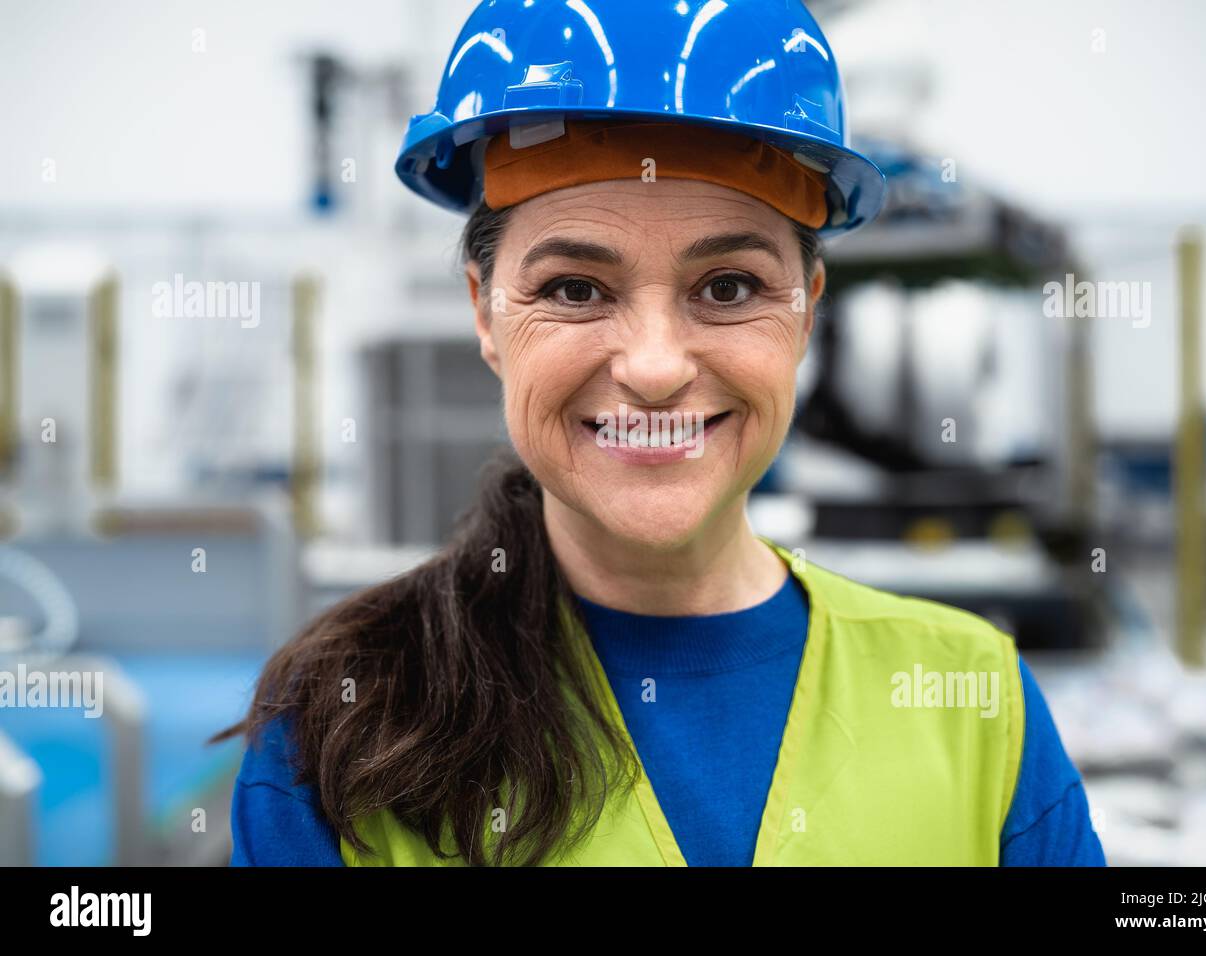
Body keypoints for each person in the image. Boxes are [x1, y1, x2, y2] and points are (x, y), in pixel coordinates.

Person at [221, 0, 1104, 867]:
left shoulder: (977, 709)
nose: (653, 367)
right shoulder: (337, 731)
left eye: (727, 287)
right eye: (574, 288)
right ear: (485, 313)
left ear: (805, 317)